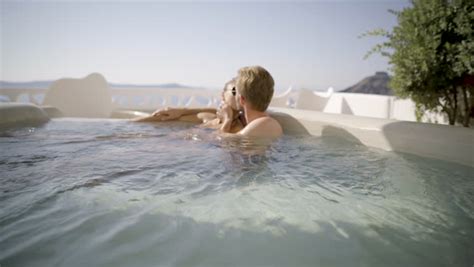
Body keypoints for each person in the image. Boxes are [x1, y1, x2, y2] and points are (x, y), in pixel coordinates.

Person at [136, 66, 282, 138]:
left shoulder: (264, 123)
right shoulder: (252, 120)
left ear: (242, 99)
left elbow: (225, 140)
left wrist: (227, 119)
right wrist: (182, 110)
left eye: (235, 92)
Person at [134, 79, 245, 133]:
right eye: (234, 91)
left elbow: (221, 142)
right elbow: (162, 118)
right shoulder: (209, 117)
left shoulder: (239, 129)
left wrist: (228, 120)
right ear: (222, 95)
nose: (239, 95)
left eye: (244, 92)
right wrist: (181, 111)